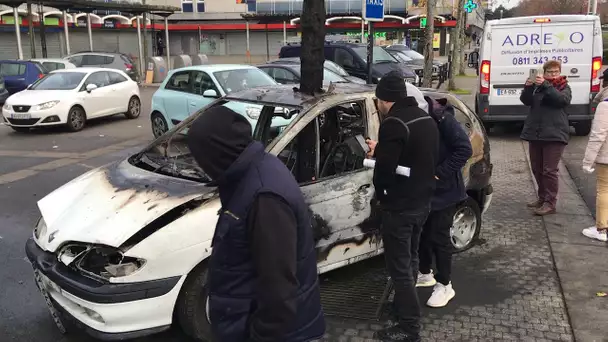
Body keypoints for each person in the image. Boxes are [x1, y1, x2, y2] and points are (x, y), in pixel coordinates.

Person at [186, 106, 325, 342]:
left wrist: (258, 335)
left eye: (200, 158)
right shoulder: (254, 171)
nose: (201, 167)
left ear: (217, 153)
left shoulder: (264, 197)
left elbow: (279, 291)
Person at [366, 71, 439, 341]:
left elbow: (384, 171)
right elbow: (422, 157)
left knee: (399, 267)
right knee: (411, 259)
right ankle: (402, 307)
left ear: (384, 100)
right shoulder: (425, 118)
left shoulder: (394, 123)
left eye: (378, 102)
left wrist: (382, 194)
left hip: (400, 206)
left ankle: (409, 327)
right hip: (423, 202)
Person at [416, 96, 473, 308]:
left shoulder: (442, 119)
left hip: (445, 191)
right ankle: (424, 273)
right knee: (423, 233)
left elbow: (464, 150)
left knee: (439, 237)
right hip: (424, 189)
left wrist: (439, 174)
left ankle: (445, 285)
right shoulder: (414, 119)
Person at [520, 60, 572, 216]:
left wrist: (546, 86)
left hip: (555, 134)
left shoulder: (564, 86)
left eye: (556, 71)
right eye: (550, 72)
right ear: (544, 72)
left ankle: (550, 202)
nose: (553, 74)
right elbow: (526, 101)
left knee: (549, 170)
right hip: (536, 133)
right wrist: (528, 87)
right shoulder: (537, 87)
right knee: (536, 168)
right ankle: (542, 197)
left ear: (560, 72)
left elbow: (562, 101)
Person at [582, 73, 608, 242]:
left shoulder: (604, 106)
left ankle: (601, 229)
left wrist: (587, 161)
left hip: (606, 159)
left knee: (604, 190)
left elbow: (598, 136)